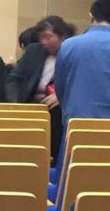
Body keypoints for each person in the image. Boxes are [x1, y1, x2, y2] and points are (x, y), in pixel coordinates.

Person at [6, 15, 74, 158]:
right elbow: (14, 79)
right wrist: (15, 103)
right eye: (41, 38)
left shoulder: (73, 53)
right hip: (31, 109)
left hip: (59, 114)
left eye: (48, 37)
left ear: (62, 35)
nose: (44, 42)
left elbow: (80, 84)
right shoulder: (34, 51)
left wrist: (62, 95)